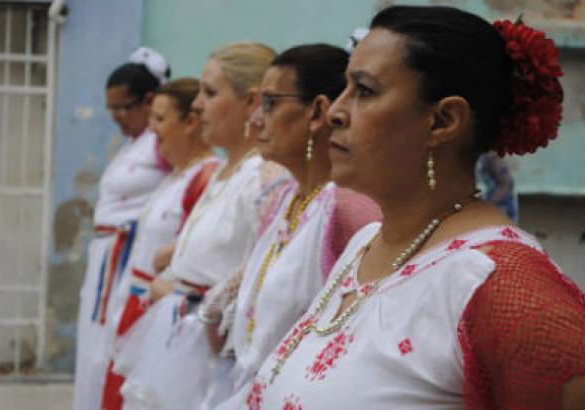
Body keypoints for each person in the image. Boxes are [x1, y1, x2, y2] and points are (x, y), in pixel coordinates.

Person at [250, 6, 585, 409]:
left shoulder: (496, 285)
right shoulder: (366, 244)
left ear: (443, 121)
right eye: (344, 88)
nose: (335, 113)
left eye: (365, 91)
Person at [196, 44, 382, 409]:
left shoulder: (348, 210)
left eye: (270, 103)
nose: (255, 120)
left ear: (317, 112)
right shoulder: (286, 202)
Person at [113, 42, 284, 410]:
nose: (197, 105)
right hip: (179, 343)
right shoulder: (227, 171)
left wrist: (189, 299)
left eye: (209, 93)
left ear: (251, 102)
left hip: (210, 361)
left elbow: (257, 273)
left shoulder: (262, 179)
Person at [99, 78, 220, 409]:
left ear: (190, 122)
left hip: (157, 318)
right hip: (135, 309)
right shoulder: (177, 175)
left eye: (161, 119)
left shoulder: (206, 178)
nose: (152, 130)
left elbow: (199, 253)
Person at [74, 47, 171, 410]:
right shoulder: (134, 144)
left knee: (111, 350)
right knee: (93, 347)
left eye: (122, 107)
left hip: (127, 257)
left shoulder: (161, 144)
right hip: (107, 258)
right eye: (110, 108)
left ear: (149, 101)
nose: (116, 116)